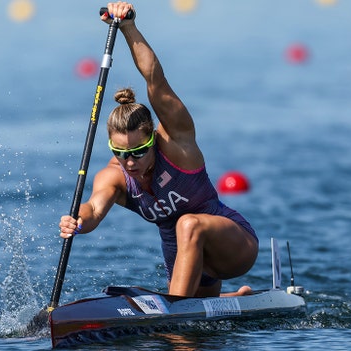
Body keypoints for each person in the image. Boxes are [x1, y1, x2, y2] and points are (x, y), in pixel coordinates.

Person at [59, 2, 258, 298]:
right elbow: (94, 210)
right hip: (182, 257)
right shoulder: (114, 176)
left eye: (139, 151)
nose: (129, 162)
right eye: (121, 152)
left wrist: (128, 28)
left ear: (152, 138)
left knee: (188, 223)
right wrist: (77, 221)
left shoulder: (177, 142)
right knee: (194, 335)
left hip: (232, 246)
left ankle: (175, 310)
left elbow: (156, 81)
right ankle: (237, 299)